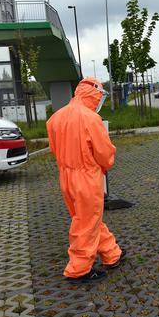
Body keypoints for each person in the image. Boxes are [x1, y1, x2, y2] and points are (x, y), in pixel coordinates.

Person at [46, 78, 126, 283]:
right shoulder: (90, 119)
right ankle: (78, 269)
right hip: (86, 178)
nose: (100, 100)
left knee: (88, 219)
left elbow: (54, 149)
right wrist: (104, 165)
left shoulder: (56, 117)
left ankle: (112, 254)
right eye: (100, 96)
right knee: (86, 223)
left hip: (66, 176)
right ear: (93, 94)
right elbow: (104, 153)